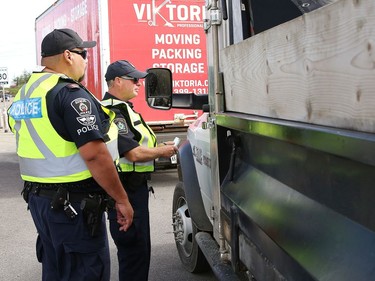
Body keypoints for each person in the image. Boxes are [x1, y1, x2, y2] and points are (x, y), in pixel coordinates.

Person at [7, 29, 134, 281]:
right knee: (85, 271)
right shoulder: (68, 93)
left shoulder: (23, 94)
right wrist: (121, 199)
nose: (85, 60)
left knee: (55, 270)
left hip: (40, 202)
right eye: (83, 54)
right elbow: (95, 155)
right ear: (68, 55)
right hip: (73, 206)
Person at [102, 60, 178, 281]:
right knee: (134, 254)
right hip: (125, 191)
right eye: (134, 79)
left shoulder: (124, 108)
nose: (139, 84)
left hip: (133, 189)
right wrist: (162, 152)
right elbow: (132, 154)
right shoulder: (112, 111)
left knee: (140, 252)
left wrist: (157, 149)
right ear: (117, 81)